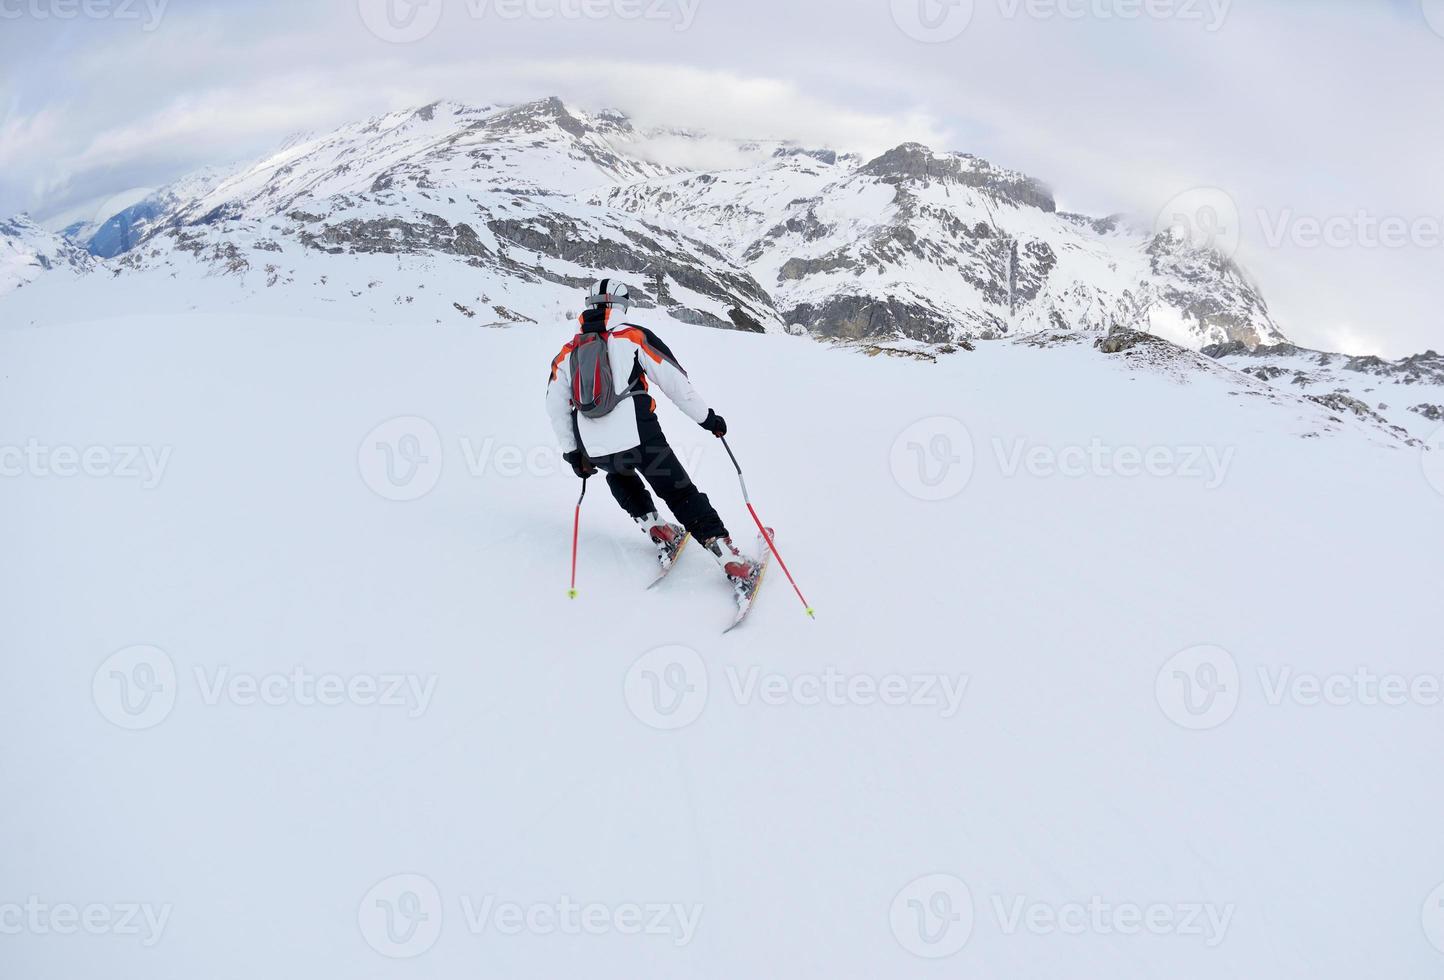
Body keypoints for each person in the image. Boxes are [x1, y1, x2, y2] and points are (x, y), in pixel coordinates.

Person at [546, 279, 757, 588]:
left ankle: (657, 529)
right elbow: (675, 383)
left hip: (593, 445)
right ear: (622, 305)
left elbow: (555, 406)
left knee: (618, 474)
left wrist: (573, 452)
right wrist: (708, 419)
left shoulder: (567, 353)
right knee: (679, 492)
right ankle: (730, 559)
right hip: (639, 435)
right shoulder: (632, 336)